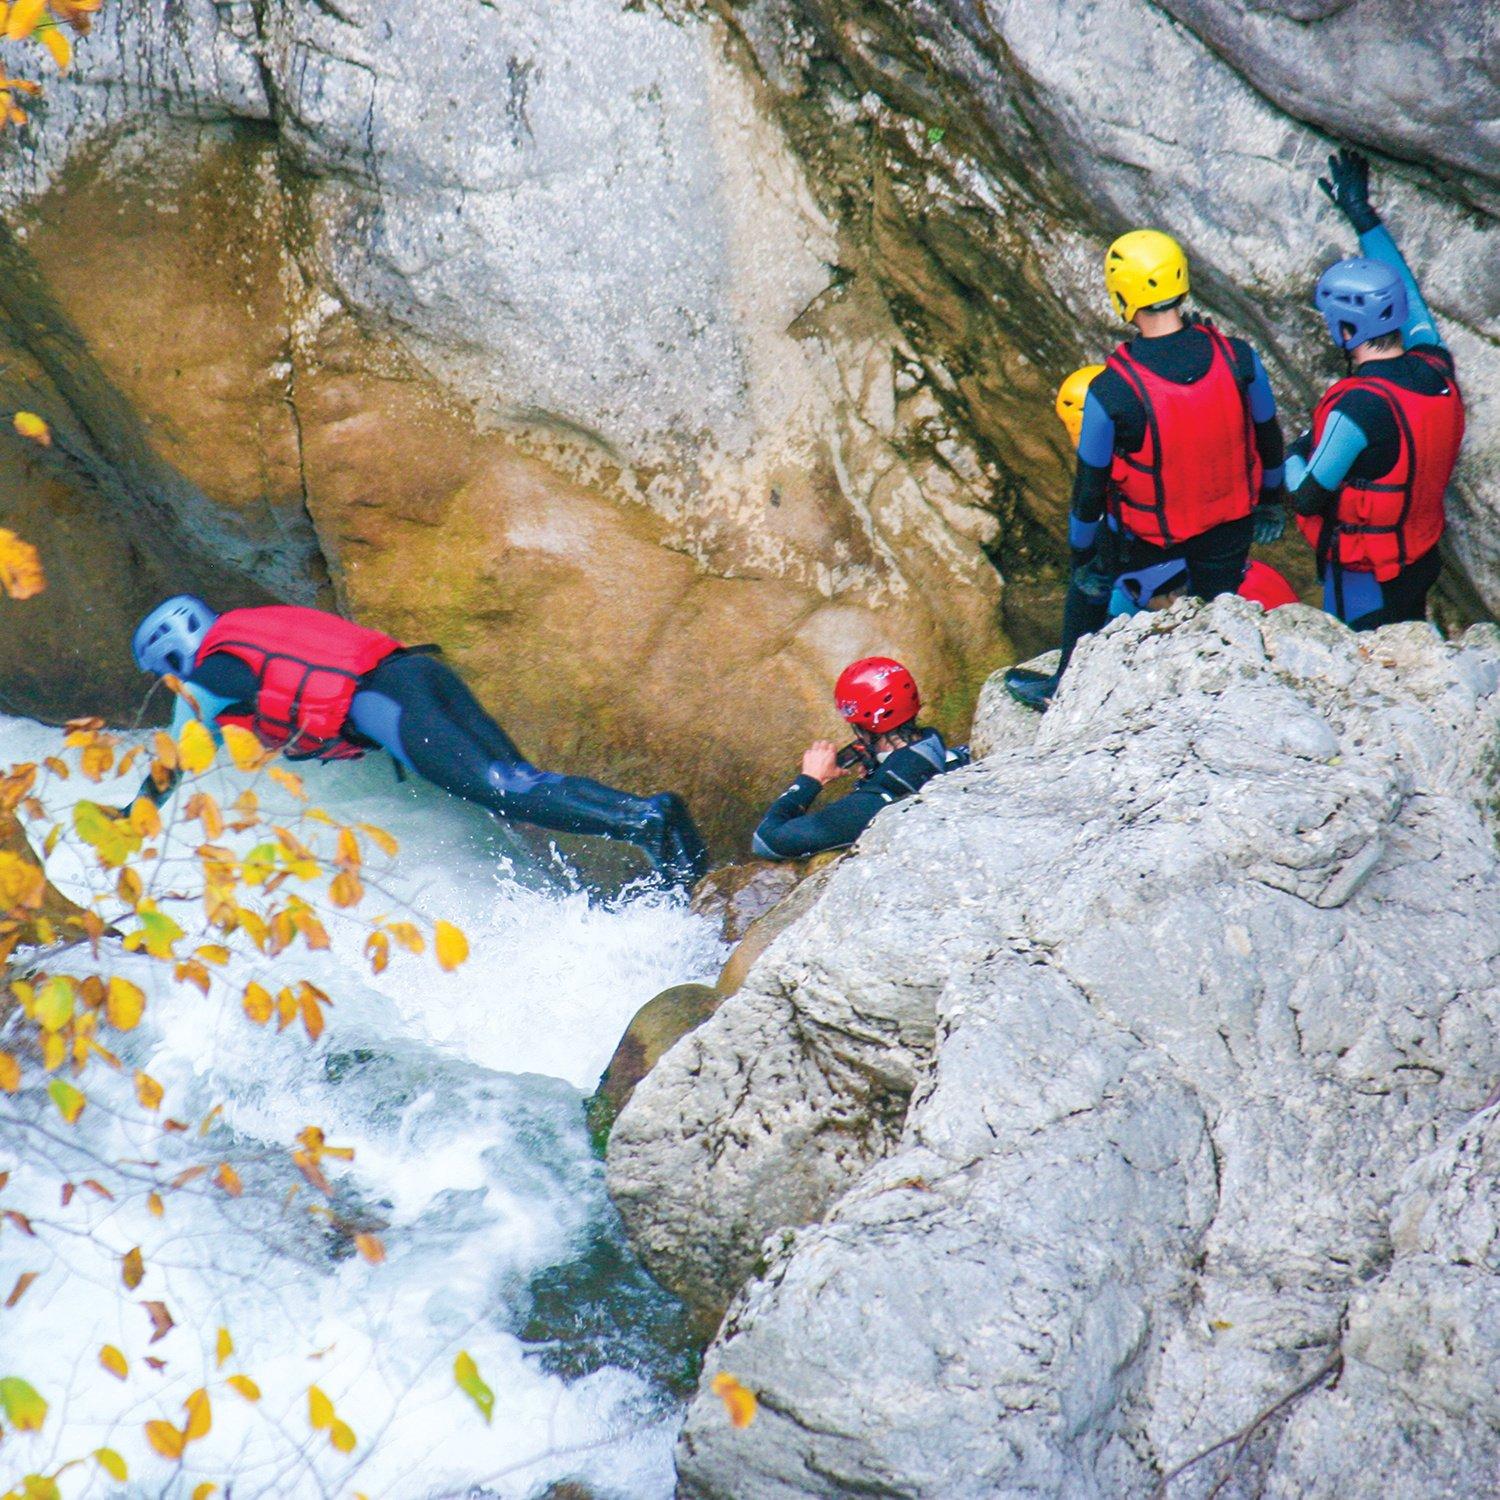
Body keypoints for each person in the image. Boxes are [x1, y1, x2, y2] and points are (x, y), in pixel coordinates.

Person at [128, 596, 708, 886]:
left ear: (171, 656)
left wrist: (133, 817)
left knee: (505, 788)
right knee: (517, 783)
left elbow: (174, 757)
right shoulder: (252, 630)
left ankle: (651, 820)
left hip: (386, 703)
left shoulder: (209, 674)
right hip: (416, 674)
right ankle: (675, 861)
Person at [1005, 231, 1288, 710]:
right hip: (1229, 531)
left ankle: (1064, 686)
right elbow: (1269, 434)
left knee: (1088, 584)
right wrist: (1271, 502)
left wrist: (1082, 558)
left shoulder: (1112, 391)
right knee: (1214, 613)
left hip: (1153, 541)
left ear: (1122, 295)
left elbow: (1089, 490)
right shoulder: (1239, 356)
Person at [1288, 149, 1465, 630]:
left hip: (1365, 581)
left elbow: (1306, 497)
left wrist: (1292, 451)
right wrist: (1362, 215)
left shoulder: (1357, 409)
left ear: (1346, 332)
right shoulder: (1436, 367)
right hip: (1420, 559)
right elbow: (1409, 298)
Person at [752, 657, 970, 861]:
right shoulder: (950, 754)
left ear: (864, 729)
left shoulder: (873, 802)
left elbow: (767, 840)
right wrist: (876, 774)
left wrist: (809, 780)